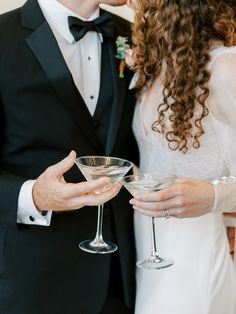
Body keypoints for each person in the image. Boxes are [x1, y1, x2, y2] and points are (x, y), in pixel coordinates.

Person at [0, 0, 138, 313]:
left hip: (121, 281)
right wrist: (34, 196)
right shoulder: (3, 38)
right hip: (34, 283)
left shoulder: (131, 37)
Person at [127, 0, 236, 313]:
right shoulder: (156, 63)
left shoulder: (225, 67)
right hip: (147, 246)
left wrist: (215, 197)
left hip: (196, 251)